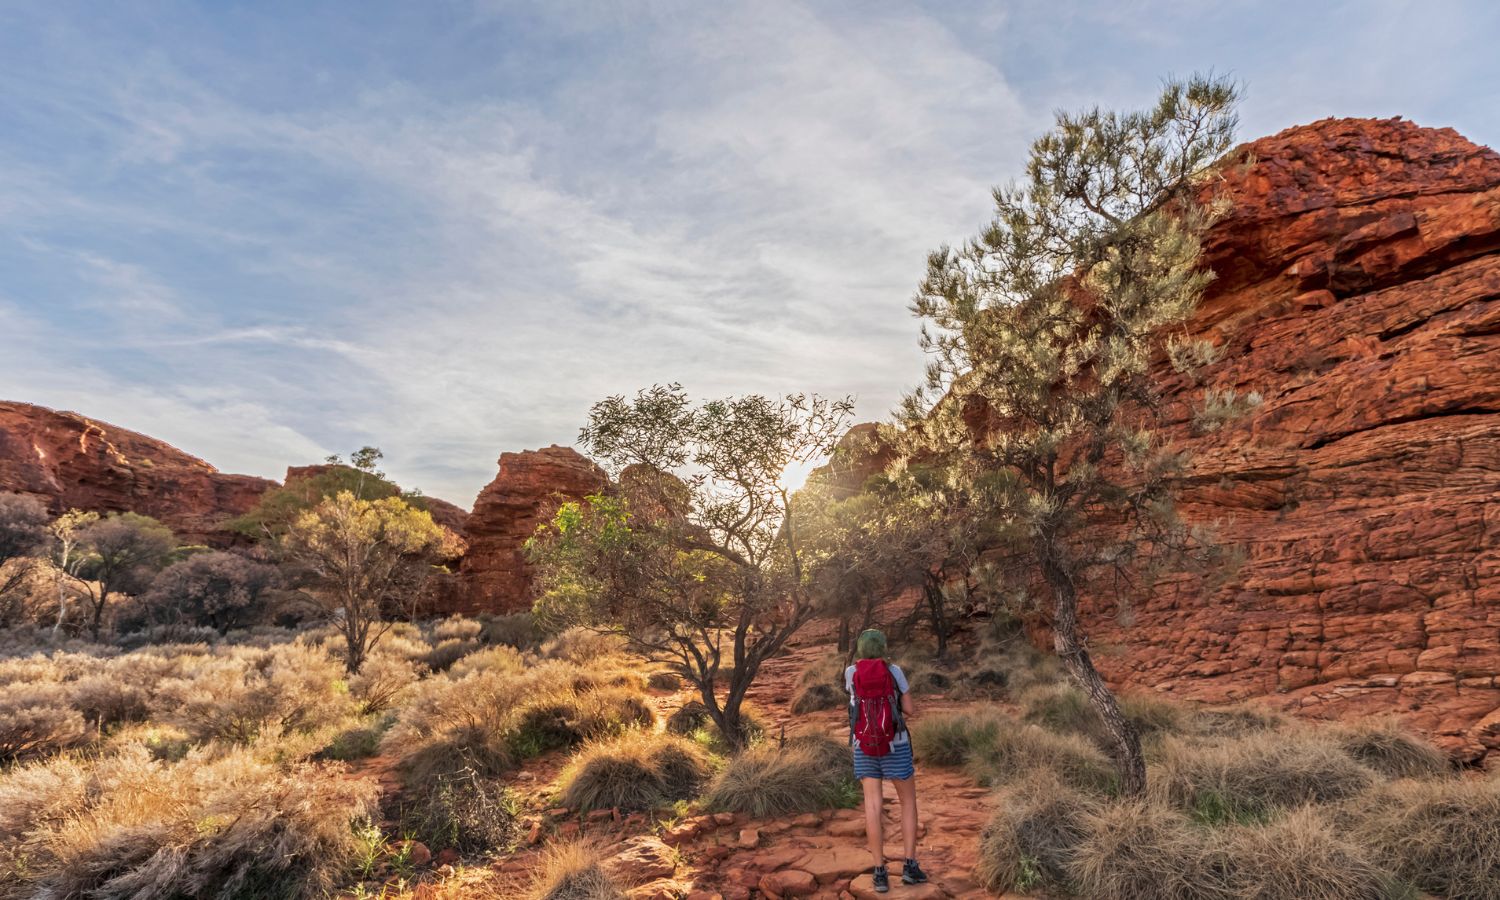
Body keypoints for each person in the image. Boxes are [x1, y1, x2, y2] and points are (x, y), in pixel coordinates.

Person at [846, 628, 926, 893]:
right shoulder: (895, 671)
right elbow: (909, 710)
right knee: (908, 803)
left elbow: (854, 705)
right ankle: (910, 867)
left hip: (864, 746)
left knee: (872, 806)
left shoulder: (850, 673)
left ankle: (879, 872)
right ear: (883, 648)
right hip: (896, 744)